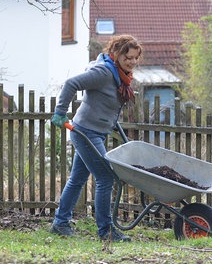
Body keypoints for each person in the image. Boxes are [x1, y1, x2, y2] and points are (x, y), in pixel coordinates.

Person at [49, 35, 142, 242]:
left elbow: (103, 101)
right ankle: (106, 231)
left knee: (78, 179)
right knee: (105, 177)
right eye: (128, 57)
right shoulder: (103, 73)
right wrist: (60, 112)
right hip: (86, 132)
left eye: (136, 58)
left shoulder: (119, 74)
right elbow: (71, 83)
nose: (132, 62)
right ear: (116, 54)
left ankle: (60, 223)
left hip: (96, 131)